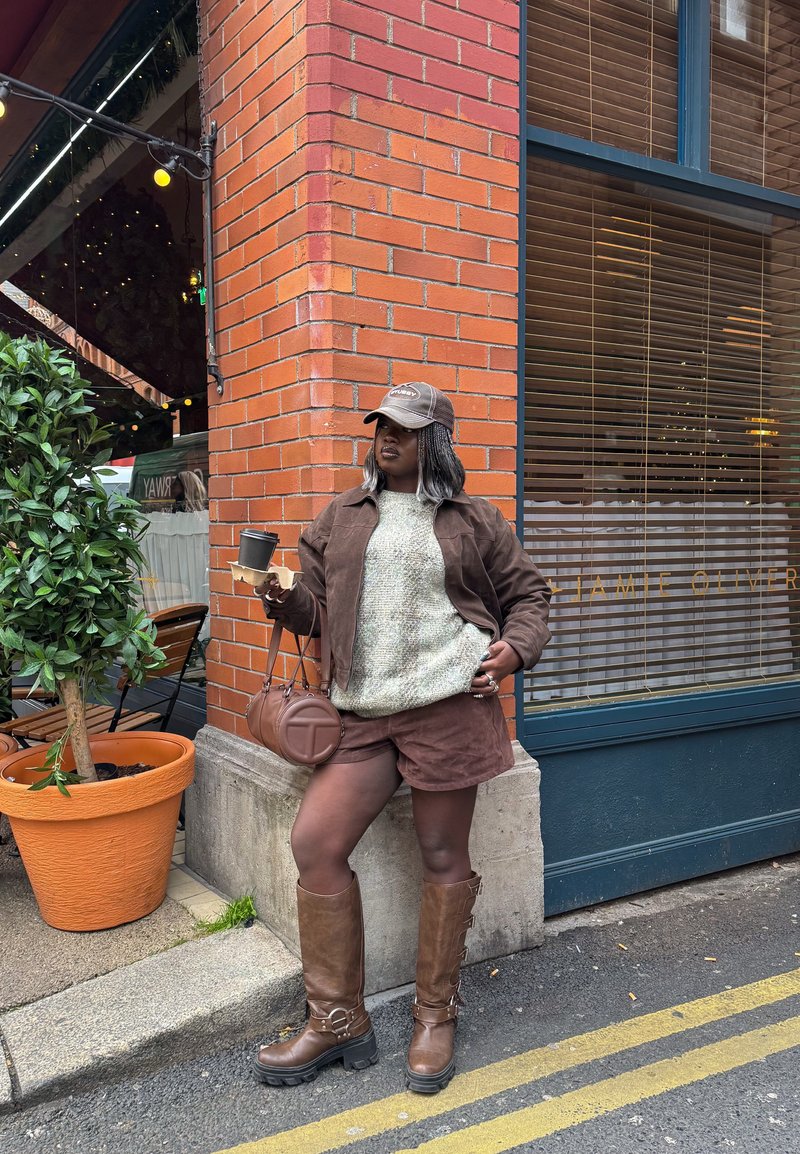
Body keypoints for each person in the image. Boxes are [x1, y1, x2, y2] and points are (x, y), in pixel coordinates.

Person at [252, 382, 551, 1094]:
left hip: (447, 706)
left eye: (407, 429)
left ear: (436, 440)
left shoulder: (473, 518)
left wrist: (511, 651)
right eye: (382, 425)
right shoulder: (342, 516)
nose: (388, 437)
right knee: (315, 844)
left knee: (443, 856)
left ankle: (434, 1014)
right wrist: (281, 595)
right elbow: (317, 612)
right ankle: (336, 1022)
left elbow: (529, 597)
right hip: (362, 711)